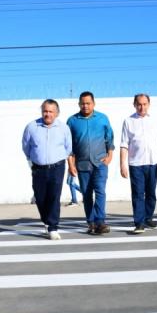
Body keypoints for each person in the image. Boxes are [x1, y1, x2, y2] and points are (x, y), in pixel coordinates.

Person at [22, 99, 72, 240]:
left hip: (57, 167)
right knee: (40, 197)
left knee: (54, 196)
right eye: (45, 111)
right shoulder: (32, 127)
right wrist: (33, 160)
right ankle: (46, 220)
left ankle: (53, 227)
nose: (47, 114)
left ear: (56, 113)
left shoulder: (63, 128)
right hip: (38, 168)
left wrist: (63, 159)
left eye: (51, 111)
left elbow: (68, 148)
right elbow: (26, 147)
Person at [66, 91, 115, 235]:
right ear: (79, 104)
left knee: (100, 191)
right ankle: (91, 223)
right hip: (82, 164)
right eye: (83, 103)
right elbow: (68, 145)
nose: (85, 106)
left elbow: (110, 138)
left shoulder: (102, 118)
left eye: (88, 103)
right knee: (87, 194)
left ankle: (100, 221)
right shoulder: (72, 121)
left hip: (100, 163)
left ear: (93, 103)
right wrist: (71, 164)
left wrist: (110, 156)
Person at [120, 93, 157, 234]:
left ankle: (148, 217)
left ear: (149, 104)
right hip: (136, 163)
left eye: (144, 104)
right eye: (139, 104)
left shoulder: (156, 120)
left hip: (153, 162)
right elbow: (124, 144)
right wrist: (123, 164)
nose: (142, 107)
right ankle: (139, 222)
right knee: (137, 194)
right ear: (134, 105)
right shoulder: (128, 121)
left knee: (151, 193)